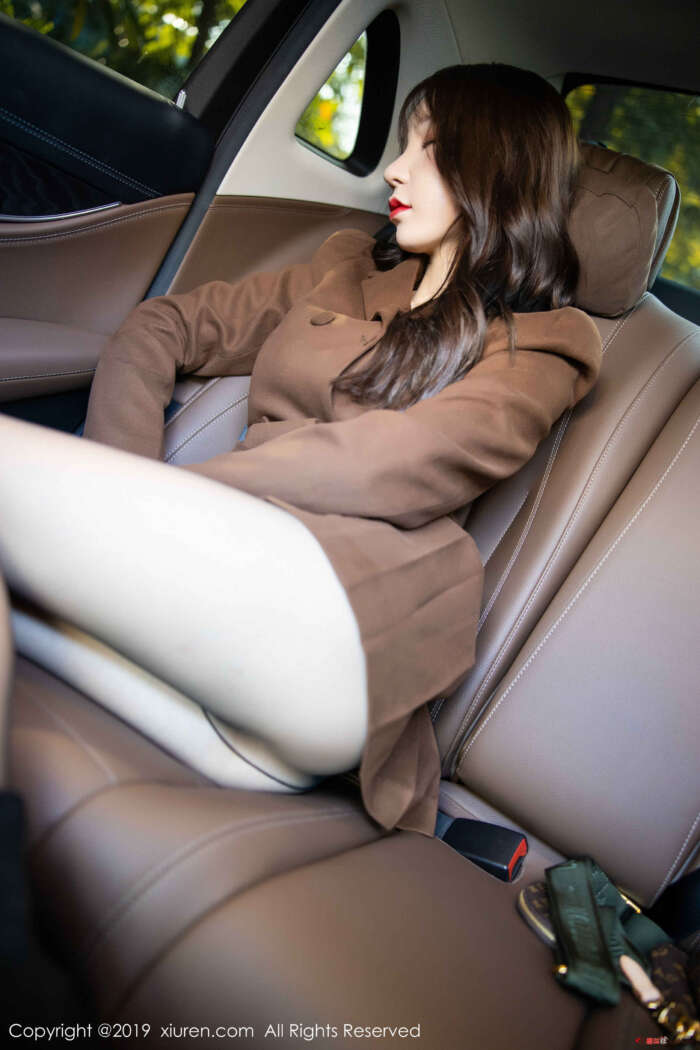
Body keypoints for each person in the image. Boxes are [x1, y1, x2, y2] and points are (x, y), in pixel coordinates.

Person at [1, 64, 603, 837]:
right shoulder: (345, 268)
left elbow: (402, 461)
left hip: (344, 612)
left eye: (427, 149)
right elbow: (162, 327)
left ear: (497, 170)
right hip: (208, 589)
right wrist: (126, 477)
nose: (394, 170)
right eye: (400, 145)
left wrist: (172, 497)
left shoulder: (547, 341)